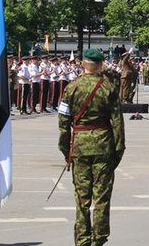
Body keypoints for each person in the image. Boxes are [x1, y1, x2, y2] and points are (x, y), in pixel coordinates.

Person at [58, 49, 125, 246]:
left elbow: (63, 122)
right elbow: (117, 123)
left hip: (79, 146)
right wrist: (118, 151)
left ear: (83, 64)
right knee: (102, 197)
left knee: (82, 198)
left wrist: (65, 150)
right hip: (103, 146)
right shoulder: (108, 88)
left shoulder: (71, 88)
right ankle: (99, 239)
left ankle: (82, 239)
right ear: (100, 64)